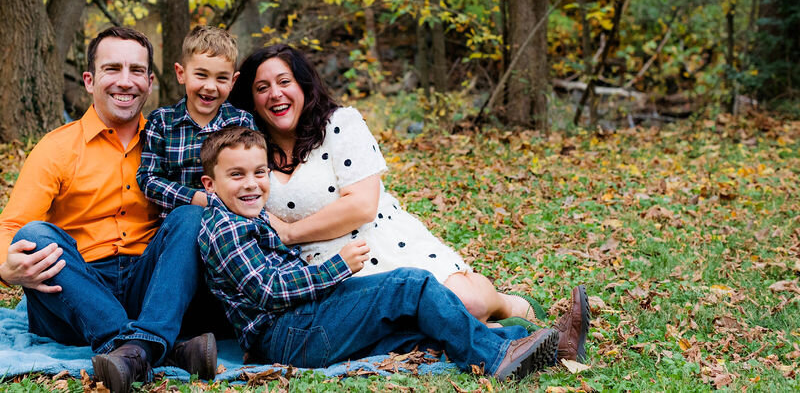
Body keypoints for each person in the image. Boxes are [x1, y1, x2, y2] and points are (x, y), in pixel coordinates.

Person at [228, 44, 590, 363]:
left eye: (284, 82)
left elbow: (362, 206)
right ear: (252, 98)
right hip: (324, 266)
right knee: (418, 322)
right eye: (263, 87)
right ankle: (523, 340)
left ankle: (511, 306)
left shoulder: (340, 124)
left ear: (304, 86)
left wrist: (289, 232)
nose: (275, 94)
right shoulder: (248, 151)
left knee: (467, 303)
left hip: (376, 236)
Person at [197, 125, 563, 381]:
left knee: (419, 330)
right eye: (237, 175)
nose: (251, 183)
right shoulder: (225, 228)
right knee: (411, 285)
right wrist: (336, 267)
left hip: (301, 328)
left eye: (260, 172)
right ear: (210, 185)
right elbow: (270, 289)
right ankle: (499, 358)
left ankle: (542, 346)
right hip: (291, 333)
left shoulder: (248, 215)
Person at [0, 26, 217, 393]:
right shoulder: (57, 148)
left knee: (190, 215)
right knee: (32, 234)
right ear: (90, 80)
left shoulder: (168, 144)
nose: (125, 82)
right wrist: (4, 267)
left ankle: (133, 351)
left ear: (150, 81)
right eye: (113, 69)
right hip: (76, 292)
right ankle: (155, 347)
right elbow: (7, 227)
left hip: (148, 288)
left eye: (136, 71)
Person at [138, 25, 256, 217]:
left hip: (230, 219)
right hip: (178, 224)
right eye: (201, 75)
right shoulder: (162, 122)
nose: (210, 87)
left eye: (221, 78)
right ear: (181, 73)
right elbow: (149, 179)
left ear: (233, 82)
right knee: (189, 219)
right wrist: (195, 199)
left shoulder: (242, 122)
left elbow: (255, 174)